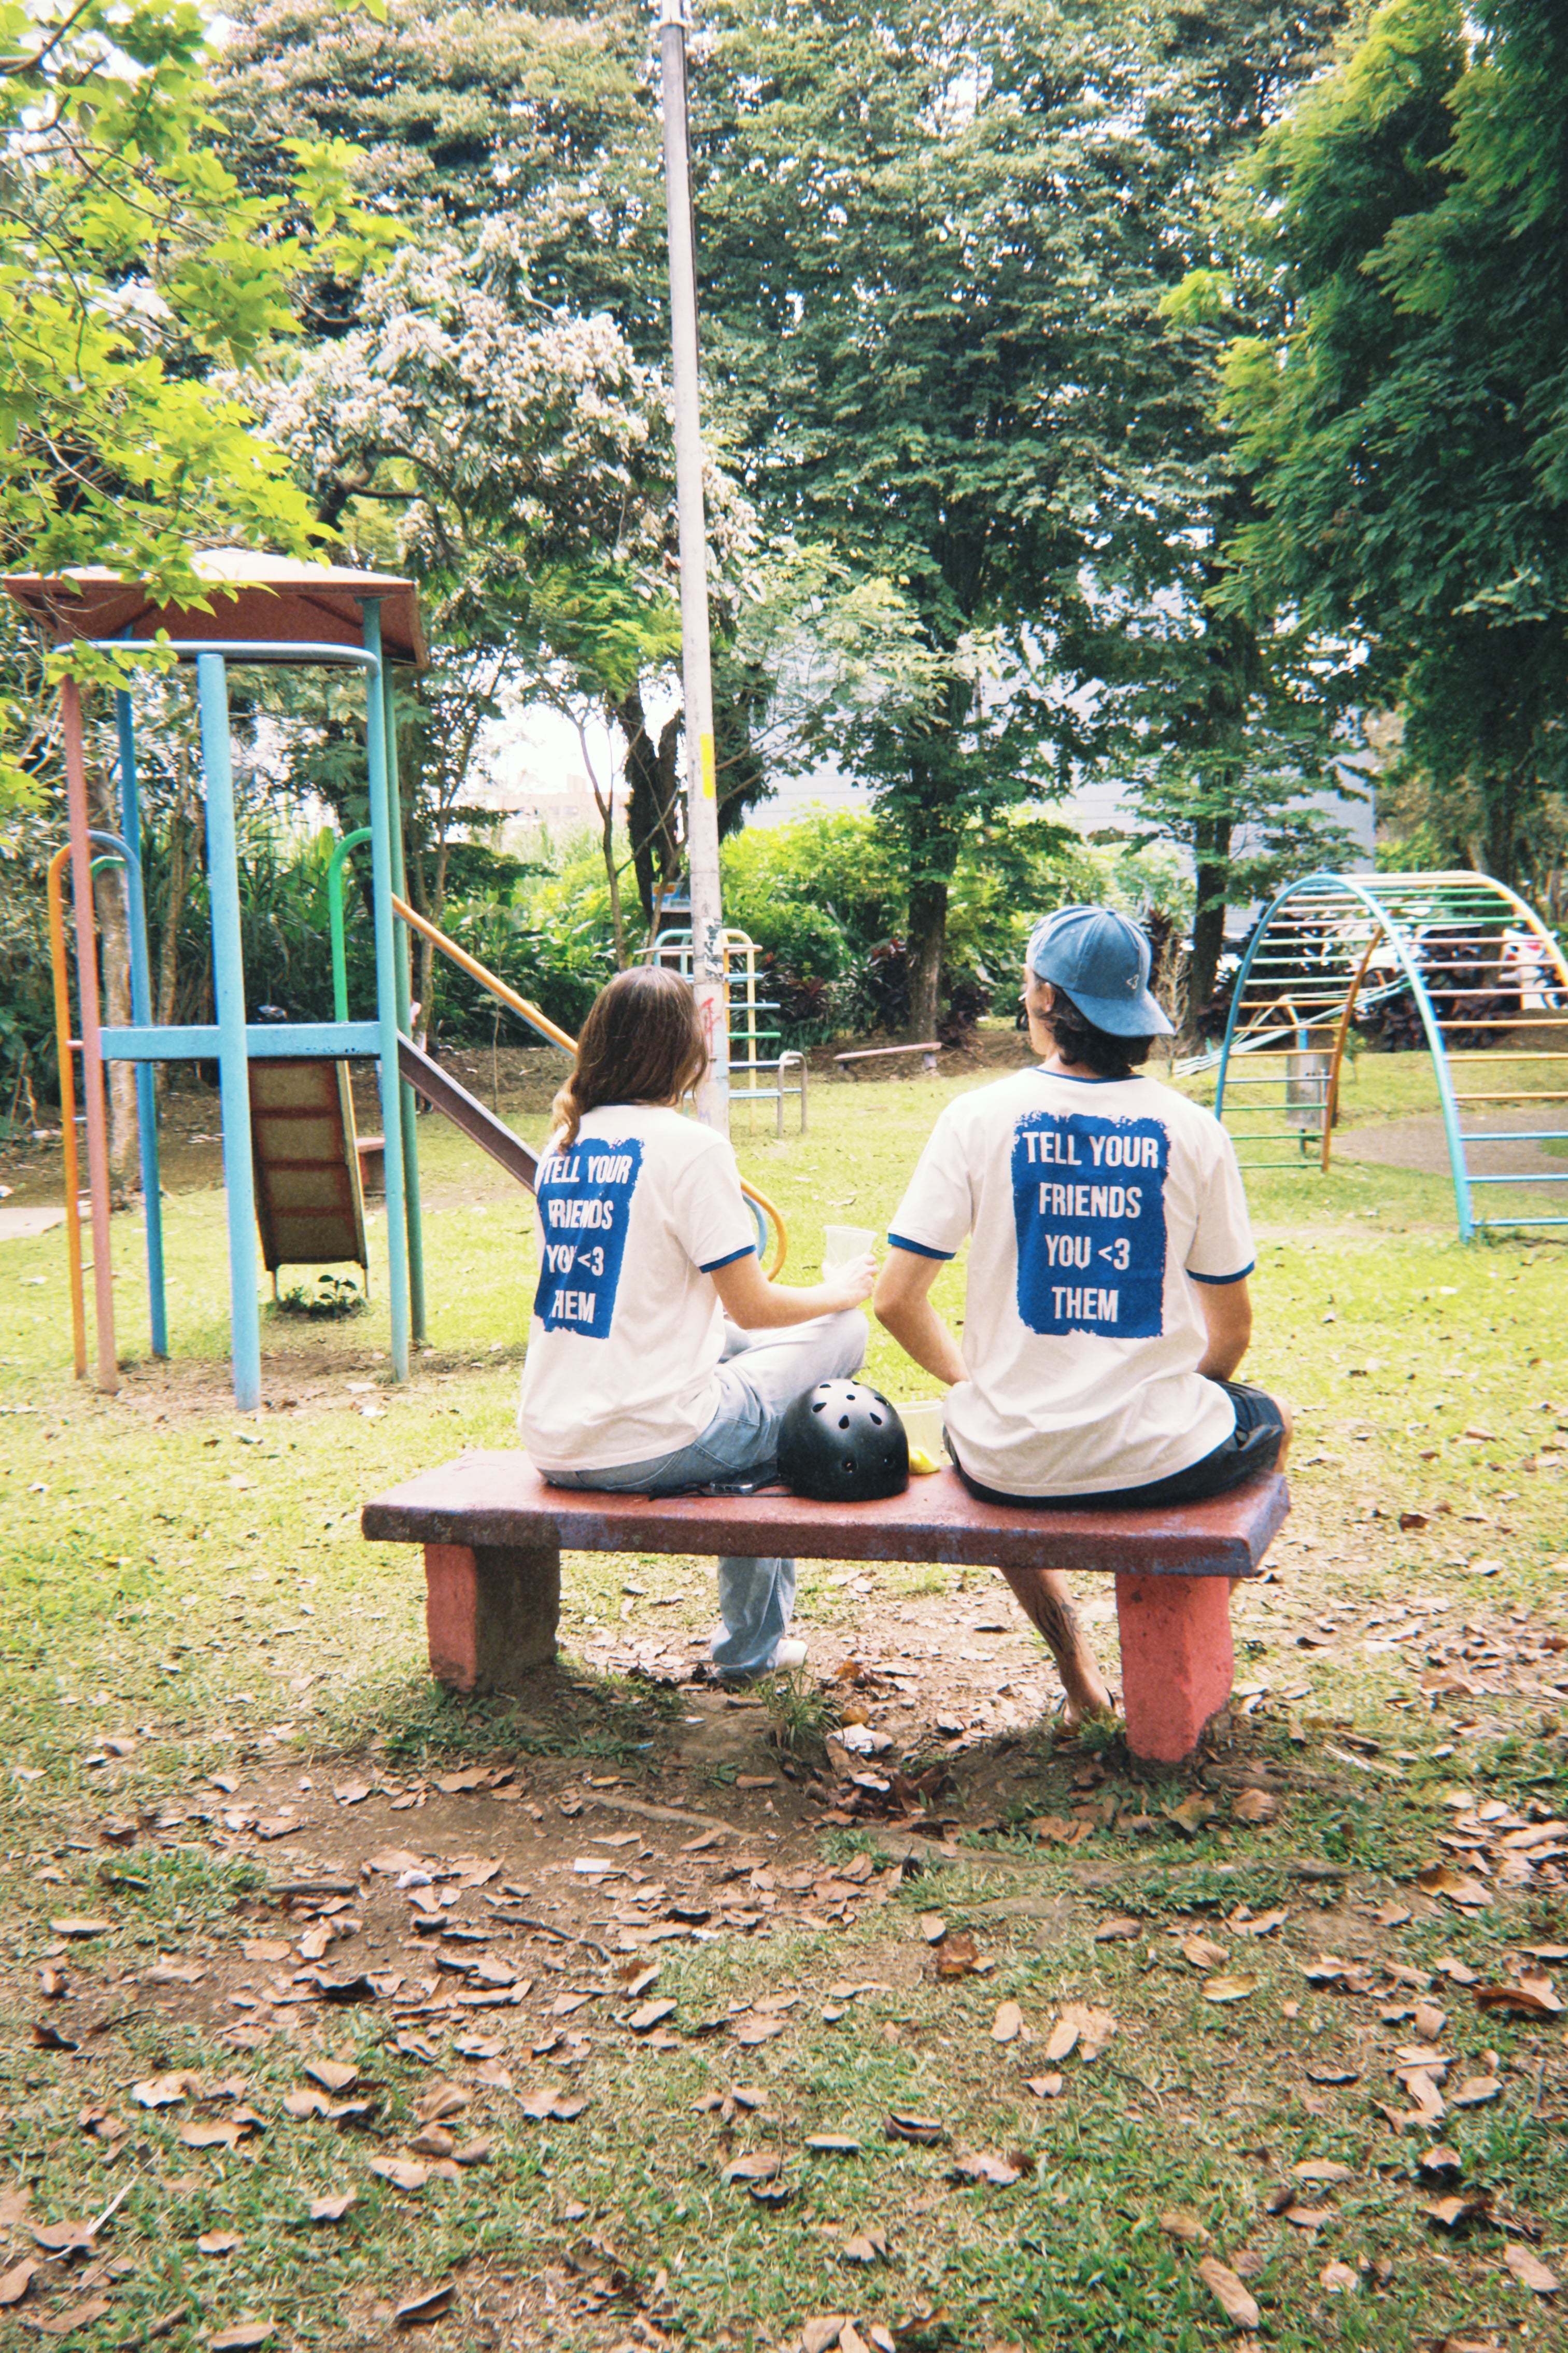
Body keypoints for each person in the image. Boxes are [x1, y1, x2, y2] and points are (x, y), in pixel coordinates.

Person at [873, 905, 1291, 1724]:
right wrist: (1151, 1401)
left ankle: (1078, 1675)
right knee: (1269, 1420)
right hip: (1157, 1451)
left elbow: (894, 1299)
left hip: (1005, 1455)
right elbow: (1231, 1332)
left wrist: (983, 1384)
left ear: (1041, 997)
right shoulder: (1195, 1130)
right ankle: (1189, 1666)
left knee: (1007, 1459)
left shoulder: (972, 1118)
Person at [519, 964, 875, 1680]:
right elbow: (754, 1304)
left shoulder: (559, 1149)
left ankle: (753, 1631)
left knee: (762, 1362)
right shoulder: (691, 1147)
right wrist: (838, 1292)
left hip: (554, 1432)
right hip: (648, 1439)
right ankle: (753, 1648)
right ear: (687, 1054)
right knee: (840, 1340)